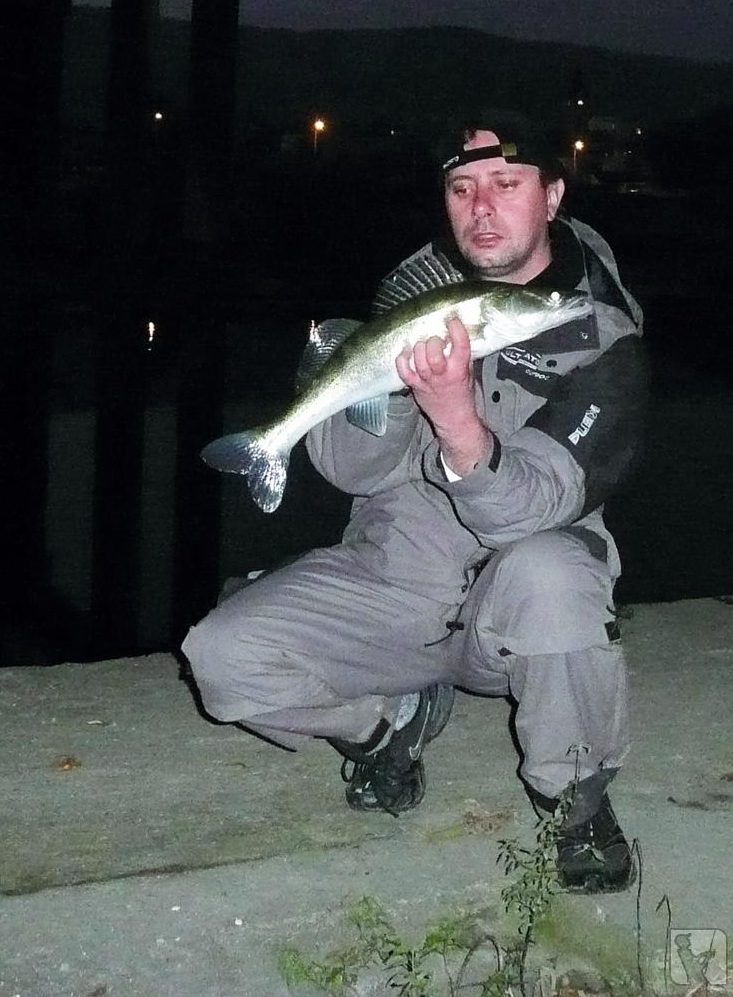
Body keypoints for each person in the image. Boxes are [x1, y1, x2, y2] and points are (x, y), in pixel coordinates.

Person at [182, 124, 648, 893]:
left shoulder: (602, 343)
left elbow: (530, 508)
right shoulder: (405, 303)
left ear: (553, 195)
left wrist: (458, 420)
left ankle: (574, 801)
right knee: (220, 656)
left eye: (507, 184)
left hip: (515, 614)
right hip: (395, 583)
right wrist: (395, 392)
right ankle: (387, 728)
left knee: (553, 572)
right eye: (463, 189)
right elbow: (348, 469)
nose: (482, 207)